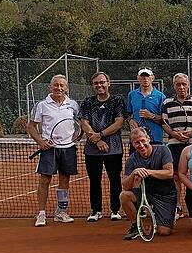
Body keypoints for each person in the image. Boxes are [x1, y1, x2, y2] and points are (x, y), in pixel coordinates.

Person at [27, 74, 80, 227]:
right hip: (49, 149)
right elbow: (31, 126)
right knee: (45, 180)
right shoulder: (42, 105)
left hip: (68, 148)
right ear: (51, 87)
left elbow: (79, 123)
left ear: (66, 88)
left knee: (64, 180)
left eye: (62, 85)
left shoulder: (73, 105)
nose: (59, 88)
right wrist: (41, 142)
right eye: (56, 85)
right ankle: (41, 213)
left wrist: (78, 136)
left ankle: (61, 212)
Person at [80, 71, 125, 222]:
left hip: (114, 148)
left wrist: (100, 135)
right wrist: (97, 140)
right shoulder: (87, 102)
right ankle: (96, 210)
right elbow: (84, 122)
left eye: (102, 82)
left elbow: (119, 123)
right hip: (92, 150)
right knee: (94, 180)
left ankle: (115, 209)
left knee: (115, 179)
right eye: (96, 83)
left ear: (108, 83)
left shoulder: (117, 101)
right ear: (93, 86)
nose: (99, 85)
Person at [119, 127, 177, 240]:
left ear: (148, 139)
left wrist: (148, 172)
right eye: (136, 143)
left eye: (142, 141)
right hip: (144, 192)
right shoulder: (132, 159)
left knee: (164, 232)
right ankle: (136, 226)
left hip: (165, 195)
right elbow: (125, 186)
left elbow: (169, 173)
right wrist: (134, 173)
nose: (140, 145)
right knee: (124, 196)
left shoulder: (163, 150)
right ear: (132, 144)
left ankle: (159, 214)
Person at [161, 73, 192, 220]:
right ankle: (178, 207)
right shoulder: (167, 103)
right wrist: (174, 134)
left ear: (188, 85)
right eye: (178, 84)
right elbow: (163, 123)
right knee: (175, 177)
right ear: (174, 86)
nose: (181, 87)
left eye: (183, 84)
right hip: (173, 145)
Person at [126, 67, 166, 144]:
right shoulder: (132, 95)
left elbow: (165, 120)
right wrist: (130, 120)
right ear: (138, 78)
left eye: (148, 76)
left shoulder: (161, 96)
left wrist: (151, 116)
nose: (145, 78)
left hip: (155, 138)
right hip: (136, 139)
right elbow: (128, 115)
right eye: (142, 76)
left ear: (152, 78)